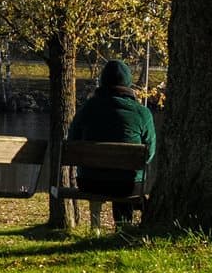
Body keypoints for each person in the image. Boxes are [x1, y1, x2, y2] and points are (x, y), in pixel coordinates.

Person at [66, 59, 156, 226]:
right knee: (124, 177)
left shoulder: (87, 109)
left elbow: (72, 142)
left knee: (110, 176)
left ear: (103, 81)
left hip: (90, 183)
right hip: (128, 186)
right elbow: (149, 153)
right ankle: (123, 228)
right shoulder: (142, 113)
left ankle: (96, 228)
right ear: (128, 83)